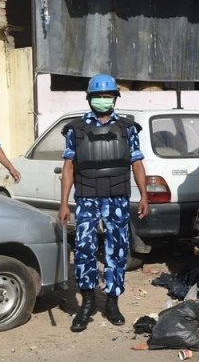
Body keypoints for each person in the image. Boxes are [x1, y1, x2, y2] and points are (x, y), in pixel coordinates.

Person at [58, 74, 149, 333]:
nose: (102, 100)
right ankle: (86, 304)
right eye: (97, 96)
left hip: (117, 198)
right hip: (86, 198)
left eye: (107, 96)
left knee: (117, 250)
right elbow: (68, 168)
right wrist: (64, 203)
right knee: (85, 249)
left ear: (115, 99)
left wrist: (144, 195)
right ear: (89, 98)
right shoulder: (75, 130)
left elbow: (137, 163)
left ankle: (112, 302)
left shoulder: (128, 128)